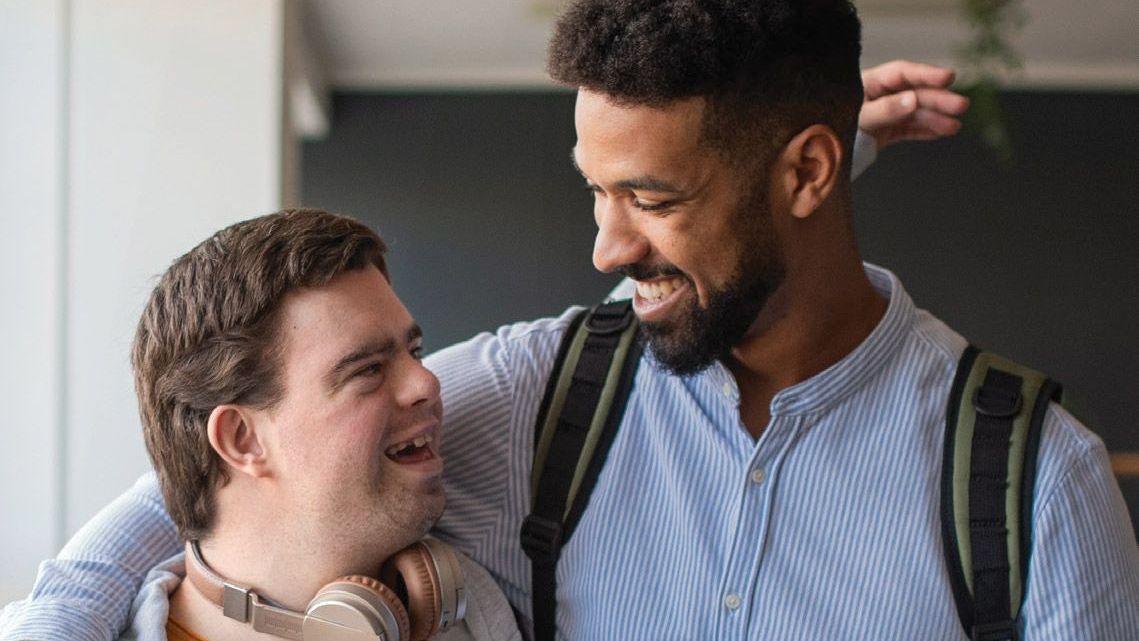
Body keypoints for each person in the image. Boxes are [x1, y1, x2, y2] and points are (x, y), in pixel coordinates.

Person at [3, 13, 1055, 641]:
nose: (422, 383)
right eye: (369, 364)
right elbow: (196, 487)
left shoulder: (1034, 482)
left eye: (651, 192)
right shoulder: (512, 403)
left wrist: (786, 181)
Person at [0, 210, 522, 641]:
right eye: (366, 369)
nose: (427, 382)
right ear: (242, 440)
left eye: (415, 351)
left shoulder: (474, 614)